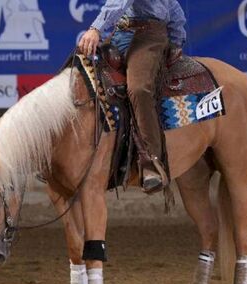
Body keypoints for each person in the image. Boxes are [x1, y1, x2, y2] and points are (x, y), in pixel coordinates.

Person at [78, 0, 187, 194]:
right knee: (84, 75)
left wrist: (96, 29)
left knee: (139, 89)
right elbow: (175, 9)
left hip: (149, 37)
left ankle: (152, 163)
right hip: (120, 33)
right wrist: (177, 37)